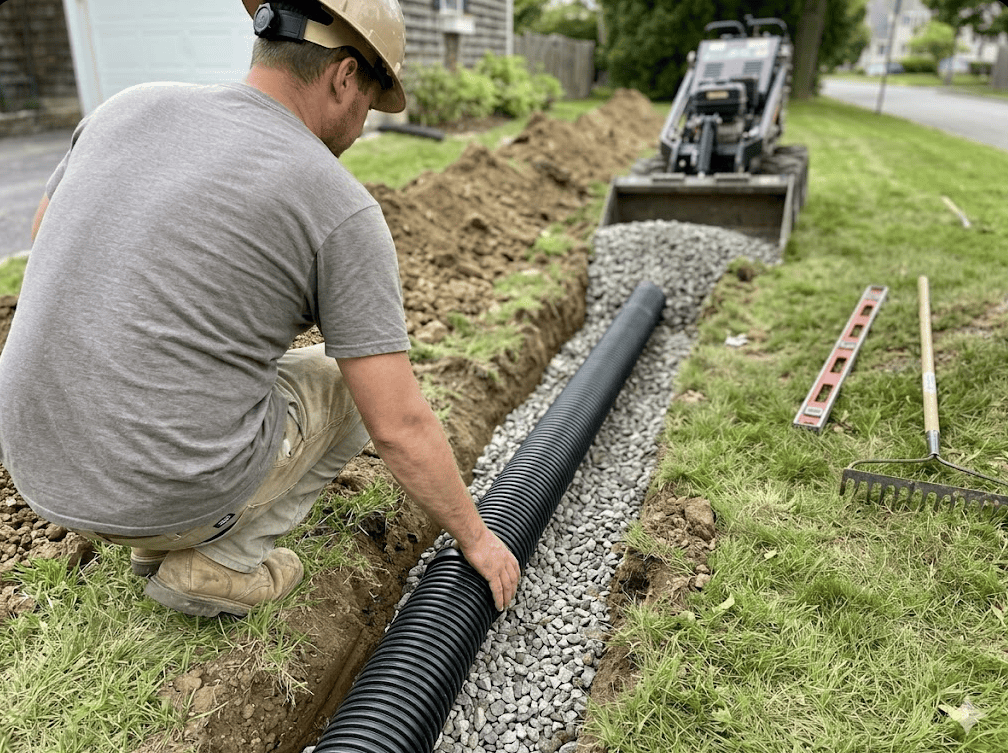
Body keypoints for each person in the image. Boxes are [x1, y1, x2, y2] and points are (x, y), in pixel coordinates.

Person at [0, 0, 520, 619]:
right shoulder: (337, 205)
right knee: (345, 385)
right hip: (154, 494)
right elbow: (399, 426)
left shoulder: (125, 107)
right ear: (344, 76)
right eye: (370, 102)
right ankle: (219, 559)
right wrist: (478, 539)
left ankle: (159, 531)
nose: (361, 127)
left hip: (40, 470)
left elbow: (47, 240)